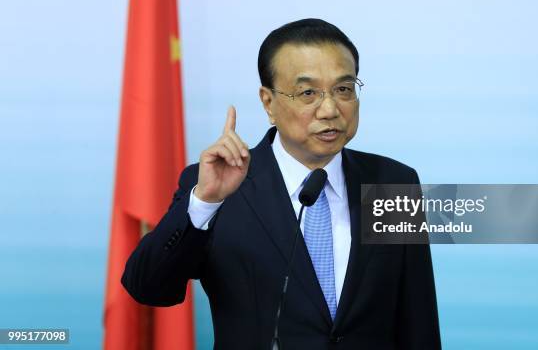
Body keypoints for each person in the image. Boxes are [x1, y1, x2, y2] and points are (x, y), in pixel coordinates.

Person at [122, 18, 441, 349]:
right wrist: (205, 202)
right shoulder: (218, 185)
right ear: (268, 103)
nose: (330, 109)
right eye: (308, 93)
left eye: (344, 89)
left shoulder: (392, 182)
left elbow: (417, 318)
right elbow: (148, 287)